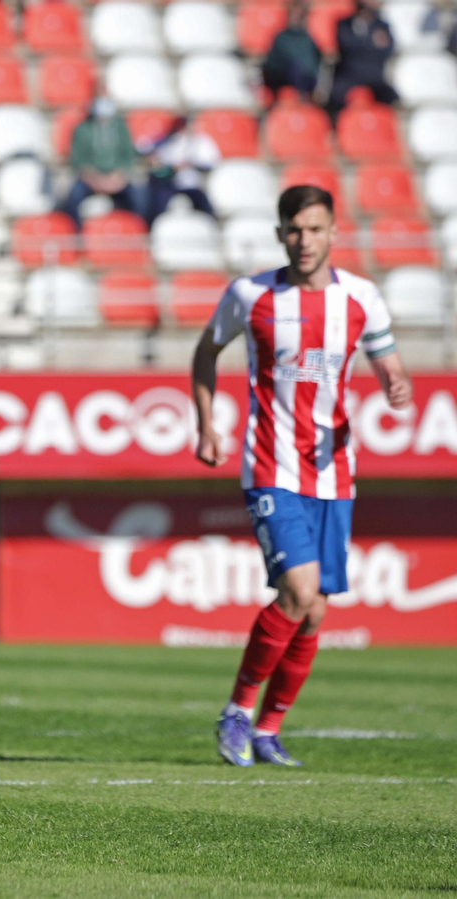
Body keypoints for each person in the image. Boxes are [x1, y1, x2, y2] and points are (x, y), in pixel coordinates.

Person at [193, 184, 412, 769]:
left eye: (316, 229)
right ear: (279, 234)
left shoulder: (361, 298)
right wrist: (208, 424)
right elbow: (206, 352)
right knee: (298, 590)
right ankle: (238, 711)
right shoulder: (252, 294)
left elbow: (389, 362)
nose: (305, 240)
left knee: (314, 610)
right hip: (271, 466)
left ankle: (268, 728)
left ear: (334, 232)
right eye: (294, 229)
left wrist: (396, 382)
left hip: (334, 473)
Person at [58, 96, 142, 224]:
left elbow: (128, 156)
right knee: (74, 196)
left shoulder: (121, 128)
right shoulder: (82, 129)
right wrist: (94, 179)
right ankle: (75, 233)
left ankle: (138, 230)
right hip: (91, 179)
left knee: (138, 197)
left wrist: (119, 176)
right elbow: (78, 160)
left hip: (116, 179)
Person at [142, 117, 220, 224]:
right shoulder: (172, 140)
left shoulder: (203, 141)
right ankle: (153, 226)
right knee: (159, 201)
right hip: (172, 183)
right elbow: (159, 160)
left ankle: (212, 225)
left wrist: (191, 165)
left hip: (194, 184)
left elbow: (210, 162)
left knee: (204, 206)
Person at [328, 0, 398, 117]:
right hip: (349, 74)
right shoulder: (344, 23)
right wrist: (371, 42)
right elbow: (346, 46)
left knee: (391, 97)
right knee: (335, 98)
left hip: (374, 74)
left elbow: (388, 49)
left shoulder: (382, 26)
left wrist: (363, 43)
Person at [261, 1, 322, 99]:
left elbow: (315, 65)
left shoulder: (310, 38)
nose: (296, 17)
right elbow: (271, 65)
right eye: (293, 14)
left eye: (299, 14)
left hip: (306, 81)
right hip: (282, 79)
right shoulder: (280, 37)